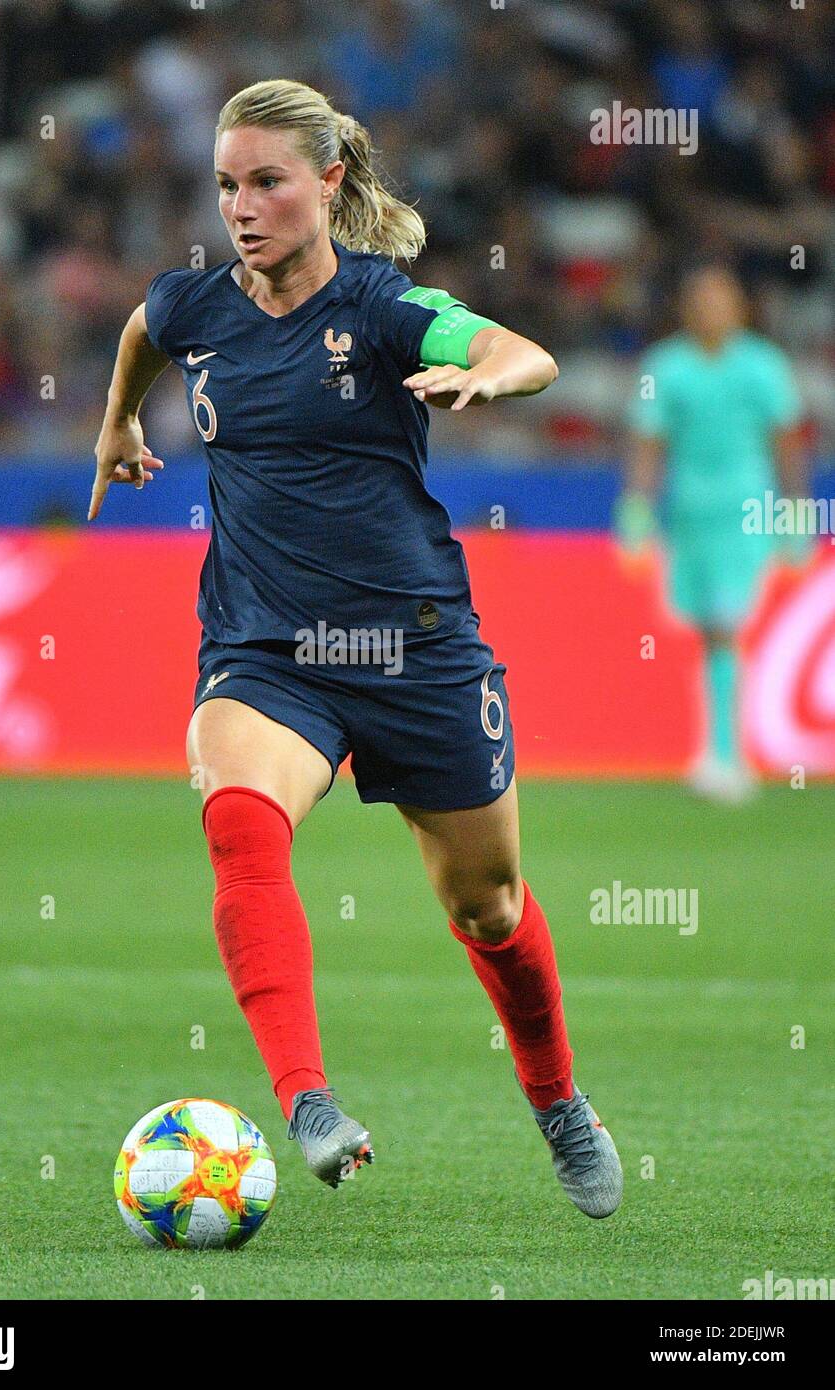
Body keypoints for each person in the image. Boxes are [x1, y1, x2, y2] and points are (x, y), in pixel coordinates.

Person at [89, 78, 622, 1219]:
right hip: (264, 646)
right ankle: (308, 1100)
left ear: (329, 184)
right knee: (239, 817)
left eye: (268, 182)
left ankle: (558, 1098)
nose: (243, 207)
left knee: (488, 906)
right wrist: (118, 421)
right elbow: (144, 328)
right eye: (228, 185)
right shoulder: (199, 307)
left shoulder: (383, 308)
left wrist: (495, 373)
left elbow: (522, 350)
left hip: (416, 648)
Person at [620, 266, 806, 802]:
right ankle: (715, 748)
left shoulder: (763, 366)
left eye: (721, 301)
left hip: (746, 512)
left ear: (740, 308)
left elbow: (787, 442)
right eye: (701, 301)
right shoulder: (667, 367)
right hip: (689, 516)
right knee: (706, 630)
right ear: (685, 309)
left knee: (725, 624)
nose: (711, 311)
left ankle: (726, 756)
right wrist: (637, 509)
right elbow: (649, 443)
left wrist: (795, 514)